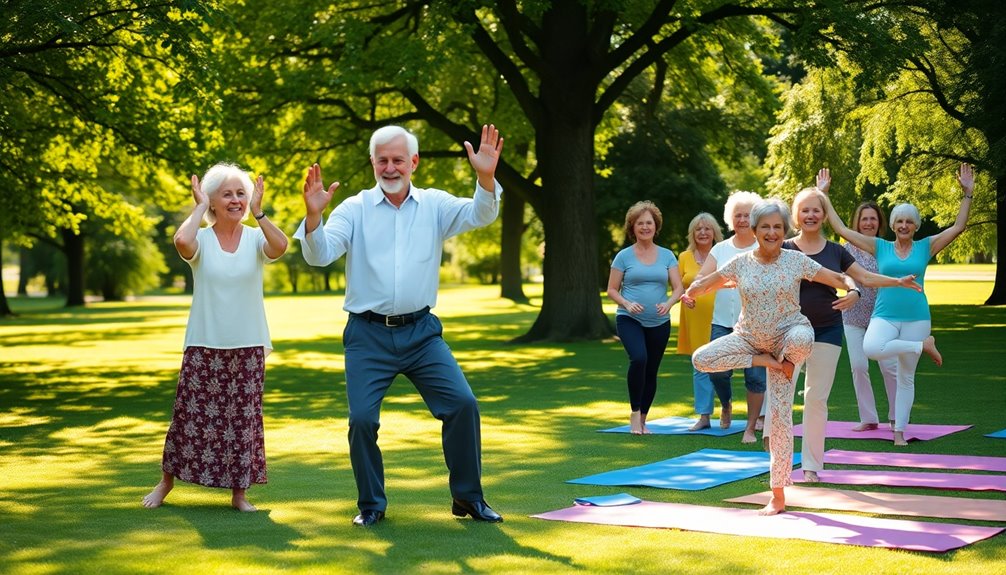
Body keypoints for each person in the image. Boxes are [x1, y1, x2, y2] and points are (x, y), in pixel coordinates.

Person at [293, 124, 505, 526]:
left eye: (398, 160)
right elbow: (319, 256)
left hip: (422, 334)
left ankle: (468, 498)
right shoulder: (353, 209)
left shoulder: (435, 206)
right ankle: (371, 505)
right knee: (362, 421)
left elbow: (482, 213)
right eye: (382, 160)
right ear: (372, 162)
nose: (390, 168)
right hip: (367, 335)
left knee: (463, 405)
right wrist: (313, 216)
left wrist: (485, 176)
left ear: (414, 163)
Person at [684, 199, 919, 515]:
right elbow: (705, 282)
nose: (771, 232)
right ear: (754, 231)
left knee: (785, 404)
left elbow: (839, 278)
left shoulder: (795, 261)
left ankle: (777, 495)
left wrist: (853, 291)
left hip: (788, 341)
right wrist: (690, 294)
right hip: (750, 340)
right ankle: (765, 361)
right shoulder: (739, 264)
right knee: (701, 358)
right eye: (765, 227)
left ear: (784, 231)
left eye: (777, 227)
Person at [143, 163, 288, 512]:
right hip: (204, 344)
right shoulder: (201, 240)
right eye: (228, 194)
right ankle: (166, 483)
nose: (236, 200)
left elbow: (280, 246)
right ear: (212, 200)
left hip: (248, 345)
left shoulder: (255, 238)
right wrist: (196, 208)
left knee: (243, 420)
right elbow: (181, 240)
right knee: (188, 418)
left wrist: (260, 212)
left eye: (241, 193)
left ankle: (239, 494)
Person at [820, 164, 974, 446]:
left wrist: (968, 194)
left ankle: (899, 432)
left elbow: (959, 226)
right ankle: (924, 346)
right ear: (892, 225)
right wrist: (823, 195)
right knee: (871, 348)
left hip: (917, 318)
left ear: (916, 226)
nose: (904, 226)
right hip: (885, 316)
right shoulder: (880, 247)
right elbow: (840, 227)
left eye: (909, 222)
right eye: (899, 221)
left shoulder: (927, 246)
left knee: (905, 376)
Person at [783, 185, 922, 482]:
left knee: (816, 399)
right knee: (782, 396)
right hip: (787, 331)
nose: (811, 214)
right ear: (796, 215)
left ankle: (811, 467)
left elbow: (864, 277)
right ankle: (778, 460)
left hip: (827, 330)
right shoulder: (784, 249)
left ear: (824, 215)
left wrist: (896, 282)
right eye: (805, 210)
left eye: (816, 210)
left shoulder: (836, 250)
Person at [693, 191, 766, 443]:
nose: (743, 220)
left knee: (755, 376)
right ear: (730, 219)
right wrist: (705, 289)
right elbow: (701, 280)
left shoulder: (763, 246)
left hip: (756, 324)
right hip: (722, 321)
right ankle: (726, 403)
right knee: (716, 370)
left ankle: (751, 425)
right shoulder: (721, 249)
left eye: (747, 215)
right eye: (738, 215)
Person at [607, 201, 685, 434]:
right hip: (629, 319)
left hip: (660, 322)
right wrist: (627, 303)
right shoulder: (623, 256)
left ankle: (643, 419)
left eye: (648, 222)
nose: (645, 227)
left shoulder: (667, 255)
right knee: (639, 359)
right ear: (633, 227)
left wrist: (669, 303)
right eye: (640, 223)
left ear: (655, 226)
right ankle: (633, 413)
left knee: (651, 369)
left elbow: (678, 288)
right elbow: (611, 289)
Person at [841, 202, 899, 432]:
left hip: (882, 317)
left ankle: (897, 417)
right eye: (864, 219)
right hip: (853, 316)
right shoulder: (846, 249)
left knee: (889, 367)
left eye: (872, 219)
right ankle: (869, 417)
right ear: (857, 222)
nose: (868, 223)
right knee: (858, 366)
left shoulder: (887, 248)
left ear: (879, 223)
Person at [675, 212, 726, 431]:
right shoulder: (684, 257)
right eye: (698, 229)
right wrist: (683, 298)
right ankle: (704, 416)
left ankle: (728, 406)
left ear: (715, 232)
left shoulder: (724, 254)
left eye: (707, 228)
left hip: (722, 315)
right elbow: (679, 288)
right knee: (700, 364)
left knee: (724, 366)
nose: (703, 232)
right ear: (692, 233)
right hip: (694, 317)